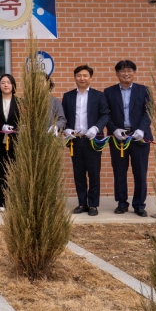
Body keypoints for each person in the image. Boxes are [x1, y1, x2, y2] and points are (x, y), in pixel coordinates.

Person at [104, 60, 153, 217]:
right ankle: (121, 203)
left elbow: (149, 112)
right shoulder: (109, 92)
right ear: (117, 73)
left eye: (129, 70)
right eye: (122, 71)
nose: (126, 74)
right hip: (118, 137)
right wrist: (114, 129)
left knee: (140, 172)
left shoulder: (144, 90)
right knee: (119, 171)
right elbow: (105, 114)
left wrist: (141, 130)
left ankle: (139, 205)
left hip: (139, 137)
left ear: (134, 72)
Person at [62, 64, 110, 217]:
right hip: (75, 140)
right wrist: (66, 129)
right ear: (75, 77)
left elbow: (105, 115)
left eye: (85, 75)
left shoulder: (99, 95)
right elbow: (64, 117)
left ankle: (93, 204)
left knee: (94, 173)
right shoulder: (68, 96)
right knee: (79, 173)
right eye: (79, 75)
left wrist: (96, 128)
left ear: (90, 78)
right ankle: (82, 203)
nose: (82, 78)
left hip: (93, 140)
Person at [0, 74, 19, 212]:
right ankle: (0, 202)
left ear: (13, 85)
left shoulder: (20, 102)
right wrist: (2, 126)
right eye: (3, 82)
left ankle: (13, 202)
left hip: (15, 142)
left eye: (8, 82)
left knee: (13, 172)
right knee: (0, 172)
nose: (6, 85)